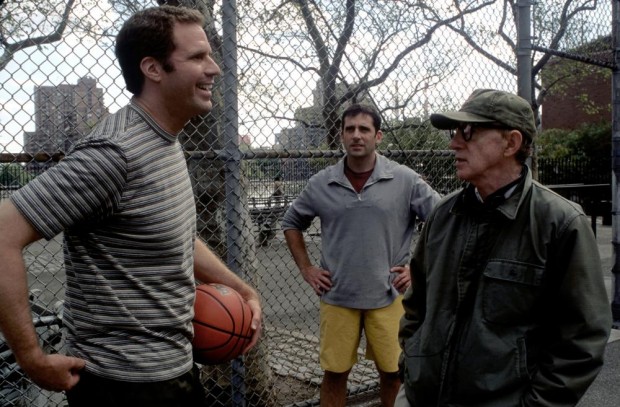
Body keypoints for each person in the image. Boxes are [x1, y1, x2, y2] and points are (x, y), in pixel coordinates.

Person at [0, 5, 262, 406]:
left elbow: (175, 237)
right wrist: (32, 357)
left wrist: (239, 288)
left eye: (209, 55)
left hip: (175, 369)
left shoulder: (166, 139)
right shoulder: (114, 152)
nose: (215, 69)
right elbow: (3, 234)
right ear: (153, 69)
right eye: (196, 57)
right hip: (121, 385)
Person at [396, 89, 612, 407]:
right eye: (454, 132)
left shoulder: (560, 223)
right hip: (422, 396)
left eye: (467, 132)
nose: (454, 143)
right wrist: (412, 368)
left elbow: (582, 338)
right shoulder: (444, 214)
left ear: (511, 143)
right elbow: (417, 305)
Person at [282, 103, 441, 407]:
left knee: (394, 374)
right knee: (334, 374)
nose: (356, 135)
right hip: (338, 296)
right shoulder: (321, 183)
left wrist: (419, 268)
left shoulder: (404, 180)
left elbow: (442, 222)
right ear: (341, 135)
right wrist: (307, 269)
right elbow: (291, 223)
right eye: (350, 129)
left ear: (378, 136)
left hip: (390, 296)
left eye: (364, 129)